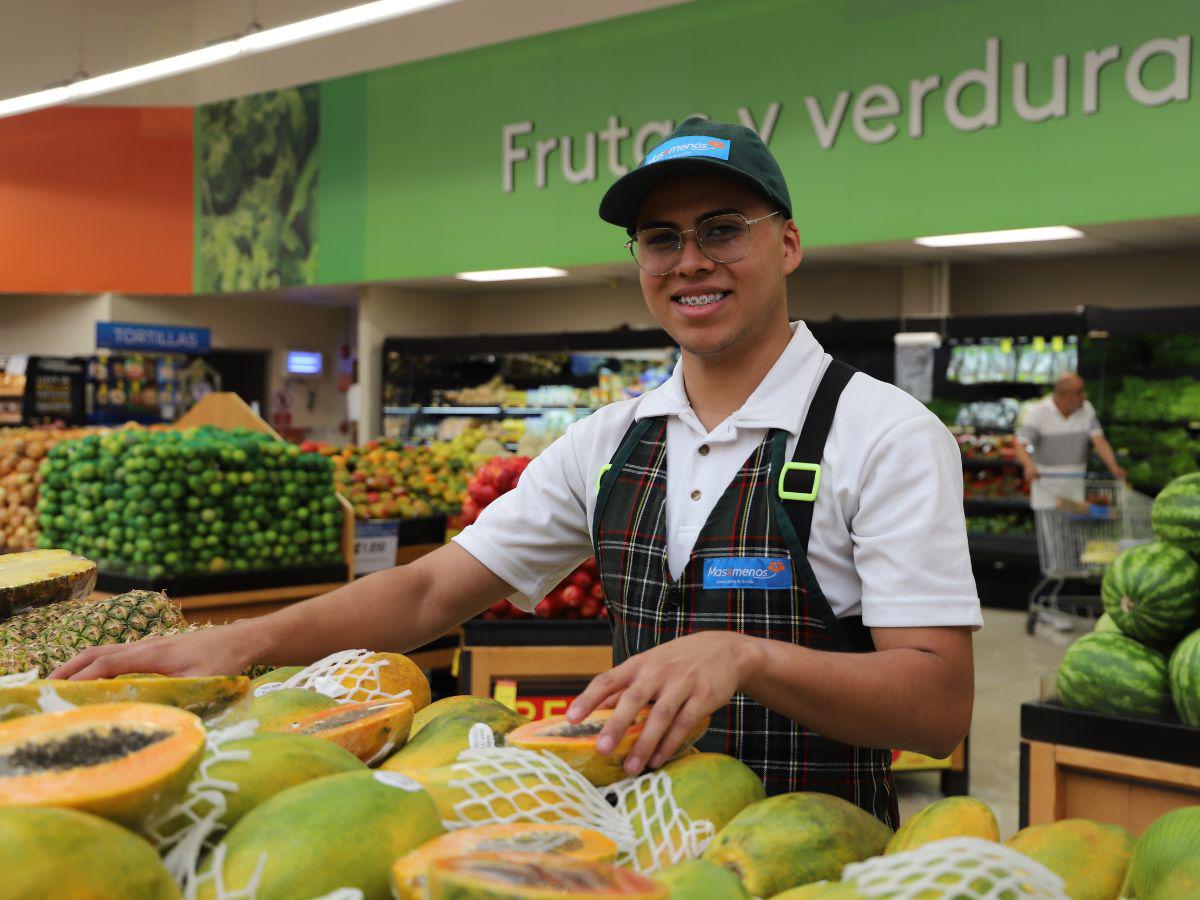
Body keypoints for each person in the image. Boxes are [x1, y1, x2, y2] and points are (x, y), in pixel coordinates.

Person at [54, 118, 980, 827]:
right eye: (661, 239)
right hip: (632, 845)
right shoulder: (611, 442)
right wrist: (236, 643)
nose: (691, 261)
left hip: (817, 860)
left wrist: (746, 656)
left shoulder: (884, 435)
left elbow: (936, 705)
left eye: (723, 229)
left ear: (787, 243)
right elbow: (426, 595)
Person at [1013, 373, 1126, 509]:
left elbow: (1099, 441)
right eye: (1079, 392)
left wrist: (1114, 467)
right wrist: (1028, 465)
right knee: (1049, 528)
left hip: (1075, 490)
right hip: (1046, 491)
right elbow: (1020, 444)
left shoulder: (1086, 409)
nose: (1084, 396)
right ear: (1064, 395)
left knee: (1072, 529)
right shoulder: (1037, 412)